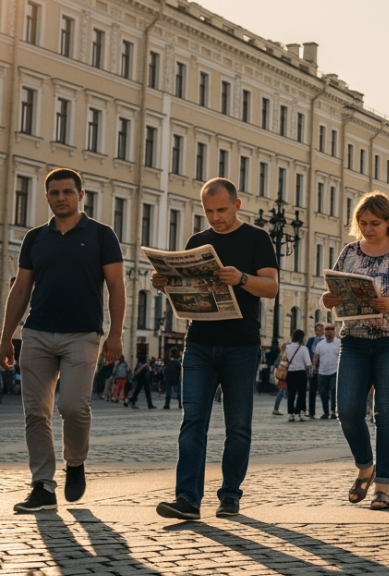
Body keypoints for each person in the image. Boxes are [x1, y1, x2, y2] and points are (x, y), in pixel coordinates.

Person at [2, 168, 125, 513]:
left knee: (73, 406)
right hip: (37, 333)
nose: (61, 198)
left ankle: (75, 462)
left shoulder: (101, 235)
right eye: (54, 193)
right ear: (47, 197)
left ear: (80, 195)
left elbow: (116, 286)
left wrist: (115, 333)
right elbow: (20, 289)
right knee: (35, 413)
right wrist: (6, 337)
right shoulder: (35, 238)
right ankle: (42, 485)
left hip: (83, 334)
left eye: (67, 192)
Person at [155, 178, 278, 520]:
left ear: (237, 205)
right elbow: (186, 293)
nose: (215, 217)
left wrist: (241, 278)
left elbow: (271, 288)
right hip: (198, 342)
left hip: (241, 345)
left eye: (221, 210)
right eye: (209, 211)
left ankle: (230, 494)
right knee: (193, 421)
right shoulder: (198, 242)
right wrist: (166, 284)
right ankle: (187, 499)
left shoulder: (257, 239)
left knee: (237, 426)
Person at [321, 191, 389, 509]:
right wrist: (328, 300)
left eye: (375, 223)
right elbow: (335, 292)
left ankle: (383, 486)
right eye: (363, 223)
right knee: (347, 411)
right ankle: (365, 466)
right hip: (354, 341)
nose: (368, 229)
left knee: (386, 414)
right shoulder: (350, 252)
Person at [282, 330, 312, 422]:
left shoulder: (287, 347)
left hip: (290, 372)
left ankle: (291, 414)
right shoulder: (303, 349)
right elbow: (308, 363)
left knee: (291, 393)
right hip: (301, 372)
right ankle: (300, 412)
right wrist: (310, 373)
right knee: (301, 393)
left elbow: (285, 359)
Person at [313, 324, 341, 420]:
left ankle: (333, 411)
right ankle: (325, 412)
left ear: (334, 331)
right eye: (327, 329)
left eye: (331, 329)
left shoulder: (339, 343)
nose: (329, 331)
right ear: (324, 332)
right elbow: (316, 356)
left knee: (334, 390)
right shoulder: (320, 344)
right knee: (323, 392)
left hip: (335, 371)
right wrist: (313, 368)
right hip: (322, 372)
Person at [306, 322, 324, 418]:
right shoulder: (311, 340)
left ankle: (327, 411)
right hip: (312, 368)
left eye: (320, 329)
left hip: (323, 369)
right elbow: (306, 352)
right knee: (312, 390)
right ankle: (311, 411)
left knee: (323, 390)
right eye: (317, 329)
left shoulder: (326, 341)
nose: (318, 331)